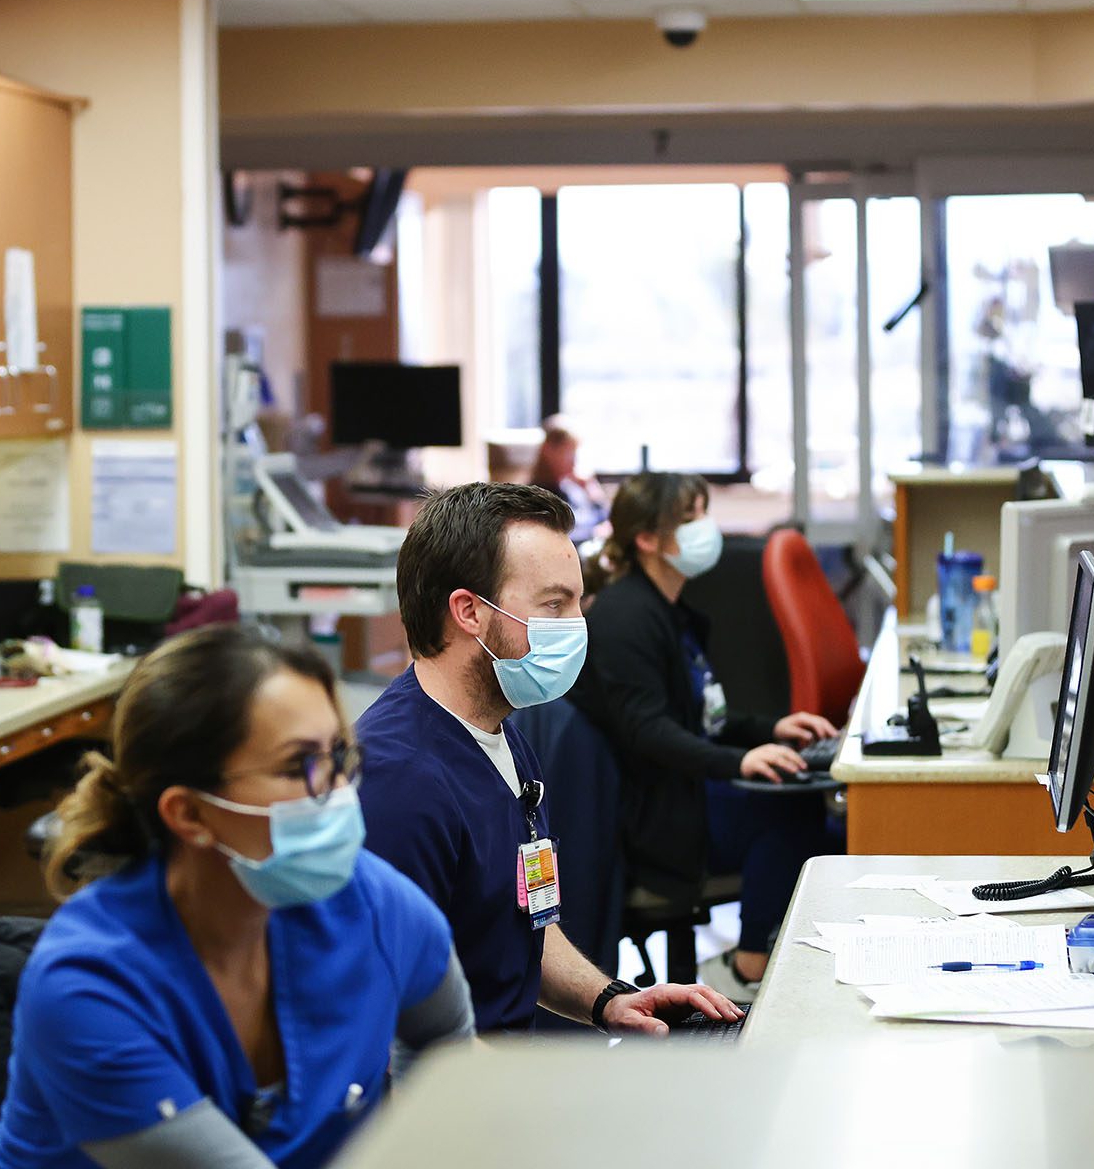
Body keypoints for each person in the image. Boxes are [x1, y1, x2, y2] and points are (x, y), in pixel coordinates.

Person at [0, 627, 473, 1169]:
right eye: (296, 765)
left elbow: (445, 1040)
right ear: (188, 813)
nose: (337, 791)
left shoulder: (370, 905)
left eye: (338, 756)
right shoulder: (91, 984)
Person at [356, 481, 742, 1036]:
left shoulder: (504, 740)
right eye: (554, 604)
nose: (577, 625)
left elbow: (526, 929)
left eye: (577, 603)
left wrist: (610, 1000)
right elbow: (394, 1035)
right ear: (468, 612)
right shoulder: (397, 784)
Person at [568, 472, 842, 1004]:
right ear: (647, 539)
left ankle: (766, 960)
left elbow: (704, 713)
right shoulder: (628, 616)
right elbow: (649, 731)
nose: (705, 528)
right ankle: (745, 969)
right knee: (787, 812)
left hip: (681, 790)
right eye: (689, 518)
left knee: (811, 817)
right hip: (655, 817)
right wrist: (741, 763)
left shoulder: (669, 610)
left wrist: (770, 730)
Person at [528, 417, 609, 544]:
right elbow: (558, 537)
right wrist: (594, 532)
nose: (574, 461)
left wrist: (591, 487)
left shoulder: (569, 487)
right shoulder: (536, 496)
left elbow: (602, 516)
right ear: (548, 450)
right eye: (569, 453)